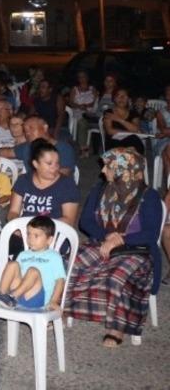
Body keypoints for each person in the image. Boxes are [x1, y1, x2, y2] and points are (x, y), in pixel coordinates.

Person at [65, 136, 164, 347]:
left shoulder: (149, 196)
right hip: (102, 242)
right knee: (70, 264)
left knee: (118, 275)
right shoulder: (100, 190)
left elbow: (151, 233)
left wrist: (121, 239)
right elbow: (86, 221)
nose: (102, 171)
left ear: (123, 170)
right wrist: (107, 237)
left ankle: (117, 327)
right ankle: (64, 308)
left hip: (137, 249)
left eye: (108, 167)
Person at [0, 140, 80, 270]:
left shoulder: (67, 184)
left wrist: (36, 229)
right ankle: (10, 275)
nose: (55, 167)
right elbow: (13, 212)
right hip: (25, 232)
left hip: (51, 235)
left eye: (57, 163)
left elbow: (68, 219)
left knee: (28, 259)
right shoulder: (24, 180)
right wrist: (17, 226)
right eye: (49, 163)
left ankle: (18, 275)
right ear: (35, 164)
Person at [0, 215, 66, 312]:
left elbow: (60, 281)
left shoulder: (54, 256)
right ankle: (2, 295)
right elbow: (16, 275)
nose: (30, 239)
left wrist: (54, 301)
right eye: (28, 234)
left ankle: (11, 297)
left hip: (37, 299)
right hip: (20, 294)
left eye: (36, 236)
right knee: (12, 264)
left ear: (49, 240)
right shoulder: (23, 254)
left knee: (33, 271)